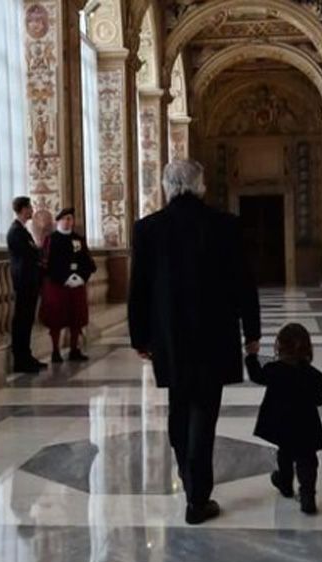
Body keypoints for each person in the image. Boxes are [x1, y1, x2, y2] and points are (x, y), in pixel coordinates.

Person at [127, 159, 260, 525]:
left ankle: (190, 478)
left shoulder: (148, 228)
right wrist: (252, 332)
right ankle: (196, 496)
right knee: (204, 410)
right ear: (200, 186)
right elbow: (244, 284)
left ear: (167, 187)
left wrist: (140, 336)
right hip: (215, 334)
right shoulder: (225, 226)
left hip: (169, 336)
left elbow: (138, 289)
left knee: (179, 405)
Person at [245, 322, 322, 514]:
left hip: (282, 424)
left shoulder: (274, 370)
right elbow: (320, 397)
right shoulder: (314, 375)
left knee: (285, 453)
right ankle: (308, 494)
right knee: (307, 458)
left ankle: (284, 482)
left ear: (279, 347)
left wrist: (251, 356)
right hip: (306, 425)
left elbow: (257, 376)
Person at [39, 207, 96, 363]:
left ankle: (74, 349)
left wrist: (81, 277)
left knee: (76, 317)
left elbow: (87, 261)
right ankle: (55, 351)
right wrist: (65, 278)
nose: (67, 222)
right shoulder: (51, 239)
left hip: (77, 284)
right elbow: (47, 264)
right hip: (57, 285)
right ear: (58, 221)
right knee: (56, 318)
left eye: (70, 219)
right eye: (64, 219)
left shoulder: (78, 239)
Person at [7, 195, 47, 373]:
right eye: (30, 207)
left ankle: (27, 355)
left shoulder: (23, 230)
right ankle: (20, 360)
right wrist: (38, 254)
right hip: (23, 282)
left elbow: (34, 252)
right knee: (22, 321)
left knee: (28, 320)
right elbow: (30, 254)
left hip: (30, 282)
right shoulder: (16, 231)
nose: (32, 210)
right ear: (23, 209)